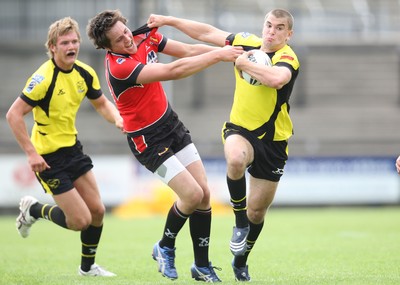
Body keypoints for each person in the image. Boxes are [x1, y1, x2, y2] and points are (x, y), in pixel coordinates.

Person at [86, 9, 243, 282]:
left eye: (125, 31)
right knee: (192, 196)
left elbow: (186, 51)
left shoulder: (142, 36)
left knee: (204, 194)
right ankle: (164, 246)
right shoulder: (119, 67)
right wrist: (219, 55)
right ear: (107, 48)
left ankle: (201, 266)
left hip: (171, 124)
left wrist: (224, 47)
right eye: (118, 39)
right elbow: (172, 70)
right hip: (147, 140)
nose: (127, 39)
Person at [147, 8, 300, 282]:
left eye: (279, 28)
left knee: (258, 211)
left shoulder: (288, 57)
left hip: (274, 141)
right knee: (236, 160)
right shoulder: (247, 42)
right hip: (240, 129)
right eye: (268, 25)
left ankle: (241, 259)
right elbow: (207, 32)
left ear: (289, 34)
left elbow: (276, 79)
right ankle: (238, 221)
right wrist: (168, 21)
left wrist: (245, 64)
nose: (271, 32)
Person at [6, 17, 123, 277]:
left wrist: (118, 118)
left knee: (98, 211)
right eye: (64, 43)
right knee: (80, 221)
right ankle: (34, 209)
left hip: (72, 149)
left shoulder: (84, 72)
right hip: (47, 157)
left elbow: (102, 103)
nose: (71, 46)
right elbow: (13, 115)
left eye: (74, 41)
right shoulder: (42, 78)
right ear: (52, 47)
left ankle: (88, 268)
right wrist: (31, 153)